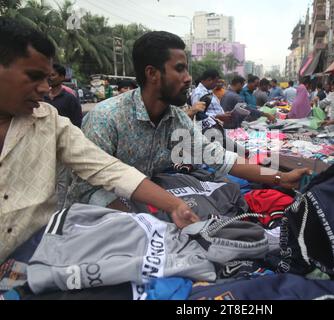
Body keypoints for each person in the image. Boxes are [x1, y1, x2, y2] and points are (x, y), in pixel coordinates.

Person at [0, 18, 201, 262]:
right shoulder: (106, 116)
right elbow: (88, 191)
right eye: (34, 76)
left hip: (35, 262)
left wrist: (173, 206)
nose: (44, 88)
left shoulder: (48, 121)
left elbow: (106, 168)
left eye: (48, 78)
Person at [69, 31, 309, 219]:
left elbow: (222, 159)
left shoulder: (177, 120)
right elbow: (86, 192)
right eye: (180, 69)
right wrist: (144, 222)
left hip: (141, 208)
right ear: (152, 73)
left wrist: (279, 178)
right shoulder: (106, 119)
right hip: (95, 222)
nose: (188, 78)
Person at [44, 63, 83, 128]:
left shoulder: (70, 99)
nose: (49, 78)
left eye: (53, 75)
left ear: (62, 77)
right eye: (48, 75)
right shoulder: (42, 97)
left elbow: (77, 122)